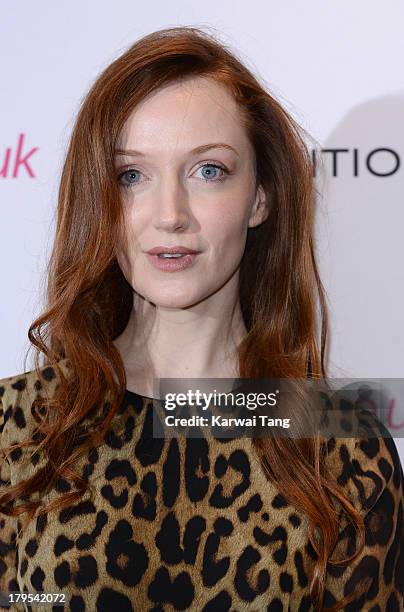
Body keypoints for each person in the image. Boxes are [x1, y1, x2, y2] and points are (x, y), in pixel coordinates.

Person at [0, 26, 402, 612]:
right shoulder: (17, 429)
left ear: (260, 196)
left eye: (208, 170)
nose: (170, 215)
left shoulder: (340, 447)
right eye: (131, 175)